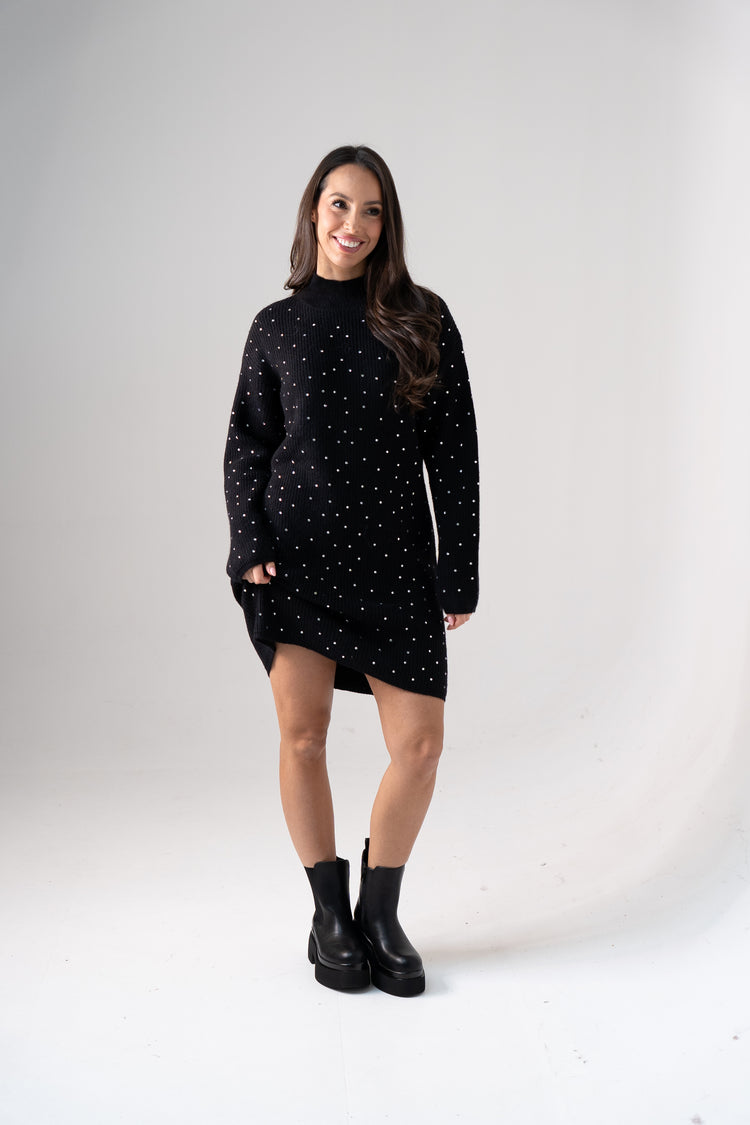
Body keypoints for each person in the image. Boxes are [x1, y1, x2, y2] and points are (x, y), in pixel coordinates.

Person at [224, 144, 479, 997]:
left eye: (371, 210)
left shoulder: (424, 318)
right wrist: (247, 539)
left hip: (395, 562)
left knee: (420, 746)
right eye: (339, 204)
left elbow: (455, 453)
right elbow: (247, 442)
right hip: (296, 561)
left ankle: (380, 910)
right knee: (303, 736)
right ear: (313, 211)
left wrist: (458, 569)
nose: (353, 224)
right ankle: (328, 914)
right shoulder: (276, 325)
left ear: (387, 224)